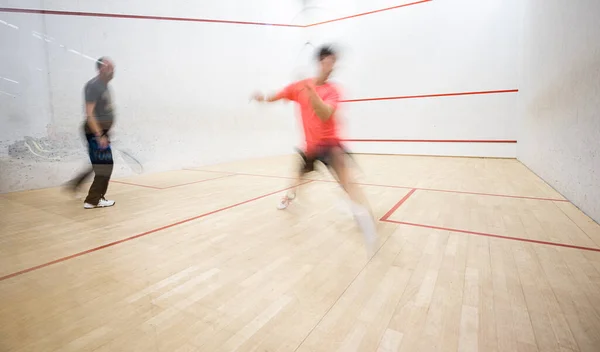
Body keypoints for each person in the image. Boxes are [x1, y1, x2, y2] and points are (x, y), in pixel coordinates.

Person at [252, 45, 377, 249]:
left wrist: (312, 93)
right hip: (310, 148)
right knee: (298, 178)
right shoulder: (299, 86)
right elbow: (280, 95)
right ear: (320, 62)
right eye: (329, 62)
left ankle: (364, 215)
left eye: (334, 63)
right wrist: (264, 98)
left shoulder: (334, 90)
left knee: (348, 182)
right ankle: (288, 197)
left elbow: (325, 113)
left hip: (330, 145)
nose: (333, 66)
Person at [65, 57, 116, 209]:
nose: (113, 70)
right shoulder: (94, 86)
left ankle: (77, 184)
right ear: (101, 69)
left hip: (100, 131)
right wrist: (99, 134)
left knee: (100, 163)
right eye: (109, 67)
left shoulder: (104, 86)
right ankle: (93, 200)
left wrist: (106, 132)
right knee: (104, 165)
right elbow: (90, 114)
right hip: (95, 131)